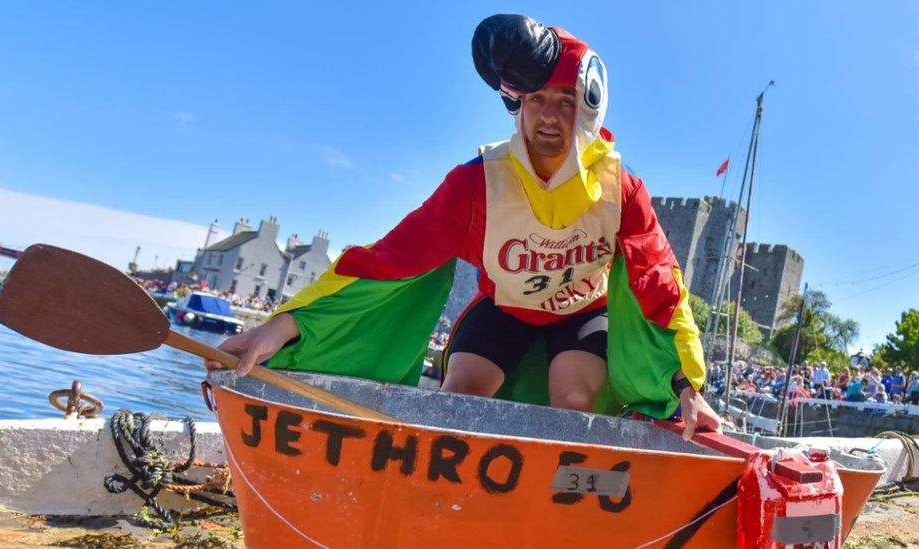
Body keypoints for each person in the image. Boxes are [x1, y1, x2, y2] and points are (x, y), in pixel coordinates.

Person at [204, 14, 720, 439]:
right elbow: (386, 260)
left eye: (564, 101)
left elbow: (660, 284)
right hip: (504, 308)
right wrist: (276, 329)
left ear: (586, 109)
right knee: (458, 397)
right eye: (536, 99)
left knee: (575, 400)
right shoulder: (477, 183)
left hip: (581, 314)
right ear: (516, 105)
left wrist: (687, 388)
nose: (548, 116)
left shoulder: (621, 189)